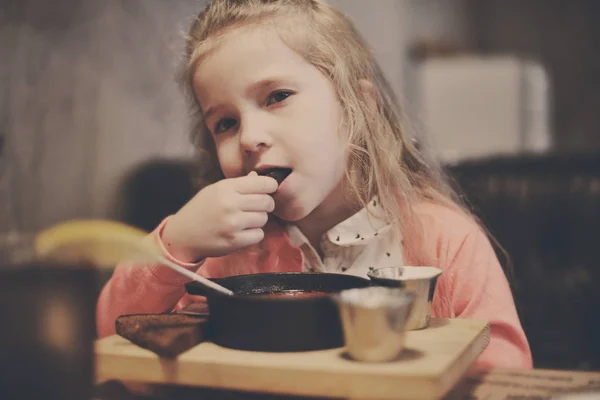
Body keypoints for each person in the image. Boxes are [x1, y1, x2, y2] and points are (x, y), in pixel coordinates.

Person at [97, 0, 532, 369]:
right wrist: (177, 244)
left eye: (277, 96)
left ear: (357, 105)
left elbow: (506, 374)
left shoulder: (442, 240)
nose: (249, 137)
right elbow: (113, 337)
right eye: (225, 123)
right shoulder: (230, 253)